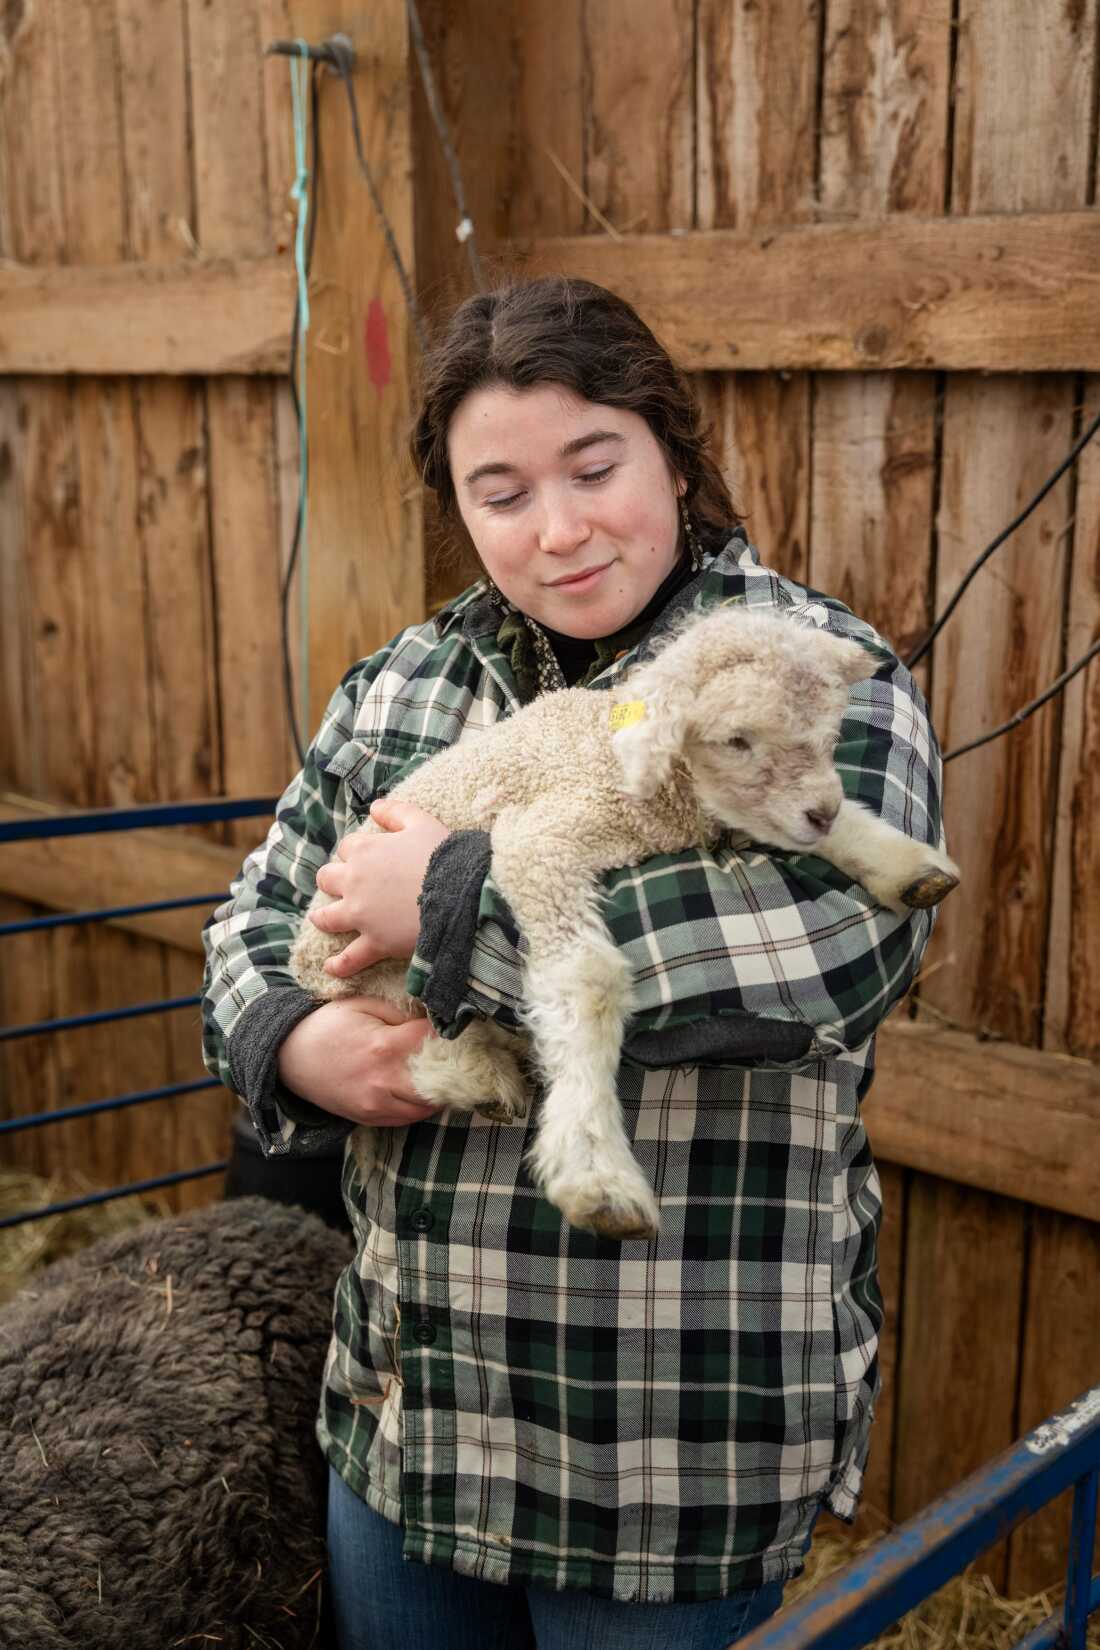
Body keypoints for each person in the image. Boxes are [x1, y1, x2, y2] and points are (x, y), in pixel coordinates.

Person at [200, 276, 945, 1650]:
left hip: (665, 1447)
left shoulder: (808, 671)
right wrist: (305, 1043)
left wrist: (443, 907)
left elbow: (816, 948)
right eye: (501, 492)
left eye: (594, 466)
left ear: (670, 444)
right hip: (413, 1425)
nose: (558, 528)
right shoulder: (401, 686)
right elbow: (253, 924)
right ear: (460, 509)